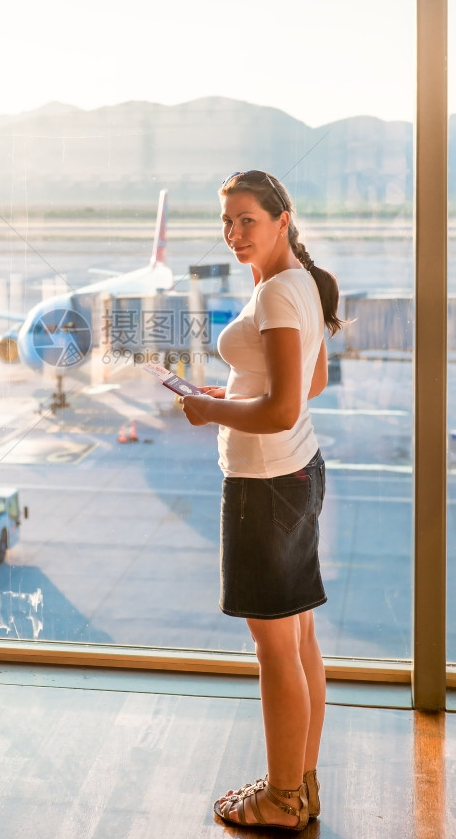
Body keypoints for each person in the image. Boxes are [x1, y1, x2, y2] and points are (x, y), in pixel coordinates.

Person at [180, 169, 342, 832]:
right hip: (297, 472)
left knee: (274, 649)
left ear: (281, 219)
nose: (233, 233)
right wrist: (229, 398)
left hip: (264, 484)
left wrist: (208, 412)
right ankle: (297, 785)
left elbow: (278, 409)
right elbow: (313, 382)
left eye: (246, 218)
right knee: (297, 638)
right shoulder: (298, 282)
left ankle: (278, 800)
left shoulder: (277, 293)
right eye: (226, 221)